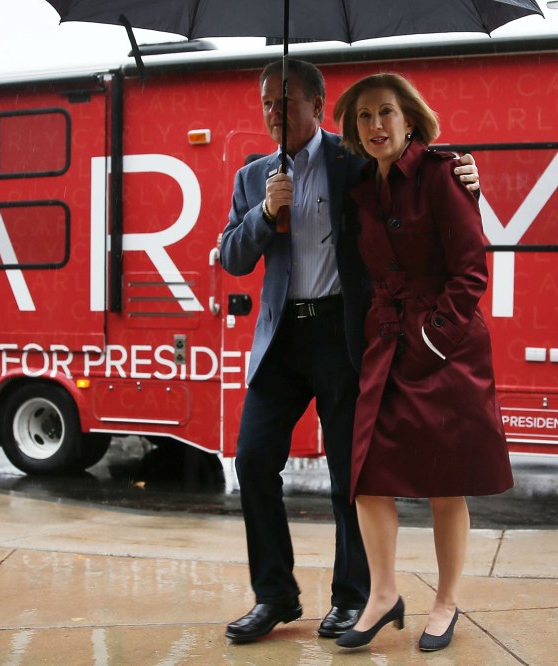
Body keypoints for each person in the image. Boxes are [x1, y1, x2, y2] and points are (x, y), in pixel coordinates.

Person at [217, 59, 480, 644]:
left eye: (284, 101)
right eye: (265, 103)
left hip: (344, 333)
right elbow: (232, 257)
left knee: (351, 475)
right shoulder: (253, 175)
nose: (273, 113)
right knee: (253, 459)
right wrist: (265, 213)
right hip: (281, 337)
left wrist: (467, 174)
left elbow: (410, 166)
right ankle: (275, 596)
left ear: (317, 103)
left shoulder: (353, 156)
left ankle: (354, 597)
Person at [330, 73, 513, 652]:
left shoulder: (442, 174)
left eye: (386, 112)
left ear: (410, 119)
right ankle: (382, 595)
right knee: (366, 476)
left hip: (445, 349)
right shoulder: (361, 182)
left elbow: (471, 271)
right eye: (363, 116)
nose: (375, 125)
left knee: (443, 482)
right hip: (384, 344)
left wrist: (434, 337)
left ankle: (447, 600)